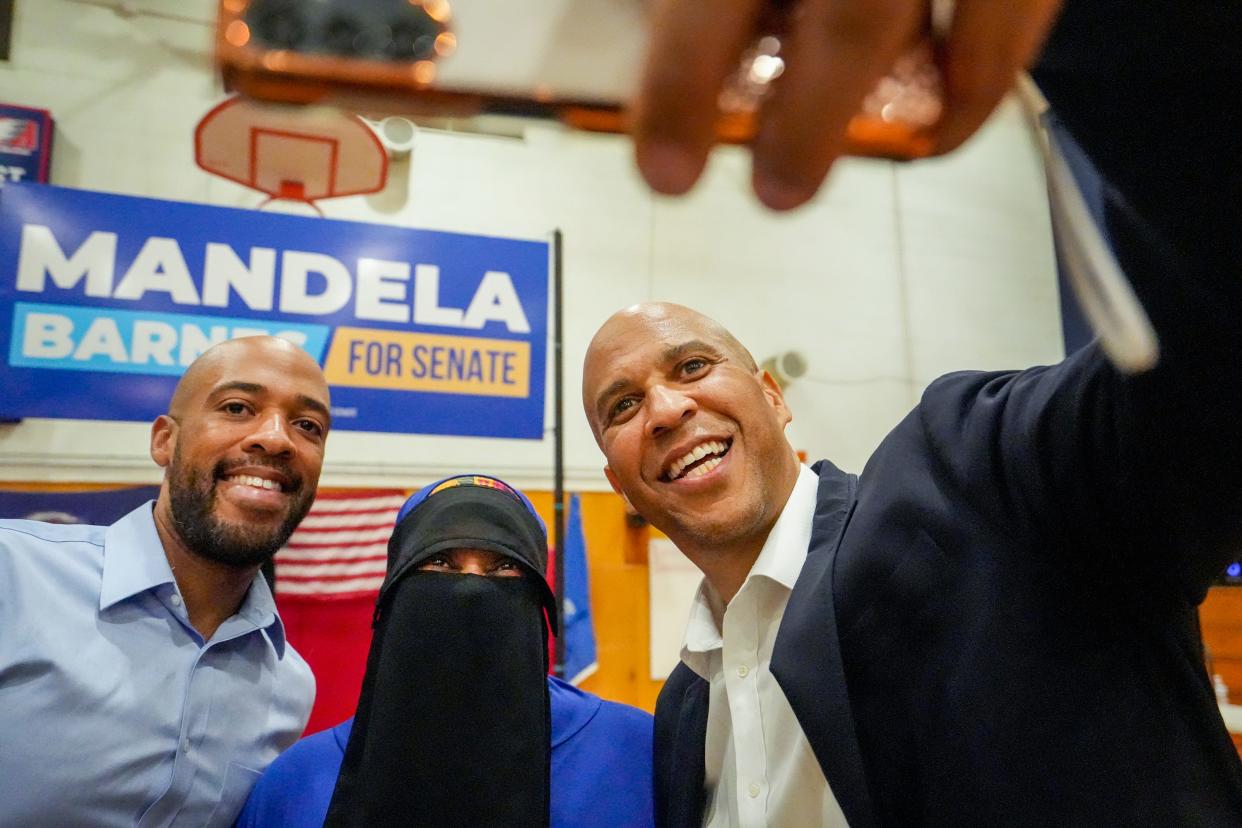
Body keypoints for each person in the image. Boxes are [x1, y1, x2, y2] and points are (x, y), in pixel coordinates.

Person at [583, 0, 1242, 823]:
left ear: (774, 397)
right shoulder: (682, 714)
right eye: (624, 405)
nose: (670, 408)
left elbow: (1213, 362)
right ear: (618, 480)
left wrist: (1089, 26)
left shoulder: (972, 477)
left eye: (692, 365)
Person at [0, 336, 327, 827]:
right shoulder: (13, 573)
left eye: (308, 425)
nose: (277, 438)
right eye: (238, 407)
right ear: (164, 440)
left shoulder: (288, 686)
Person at [236, 474, 655, 828]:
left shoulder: (636, 753)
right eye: (440, 563)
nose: (471, 589)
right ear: (396, 594)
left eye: (504, 566)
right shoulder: (296, 781)